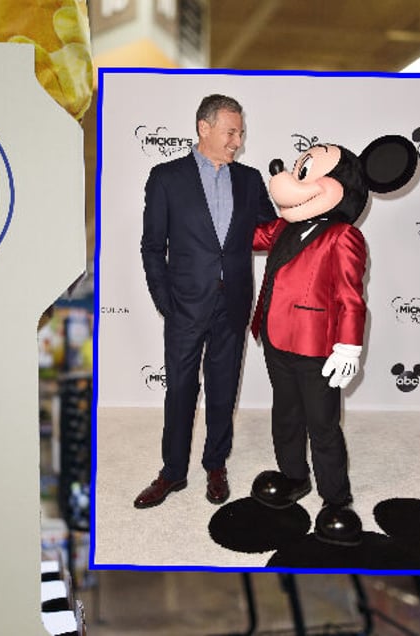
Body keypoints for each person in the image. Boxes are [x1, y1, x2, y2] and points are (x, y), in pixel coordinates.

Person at [135, 94, 277, 509]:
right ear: (205, 128)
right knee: (179, 389)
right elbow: (151, 247)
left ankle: (216, 464)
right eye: (231, 132)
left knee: (222, 389)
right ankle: (172, 473)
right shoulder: (166, 177)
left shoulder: (249, 181)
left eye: (241, 133)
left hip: (232, 302)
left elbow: (271, 232)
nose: (238, 141)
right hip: (184, 304)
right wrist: (166, 301)